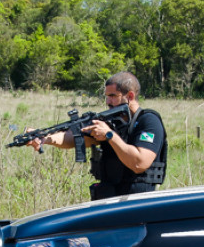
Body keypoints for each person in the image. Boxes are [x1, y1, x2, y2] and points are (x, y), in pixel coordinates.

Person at [28, 71, 167, 200]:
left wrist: (109, 135)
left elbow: (139, 163)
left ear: (130, 96)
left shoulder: (148, 121)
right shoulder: (111, 121)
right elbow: (74, 137)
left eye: (113, 96)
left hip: (137, 202)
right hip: (108, 199)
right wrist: (45, 138)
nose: (108, 102)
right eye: (107, 96)